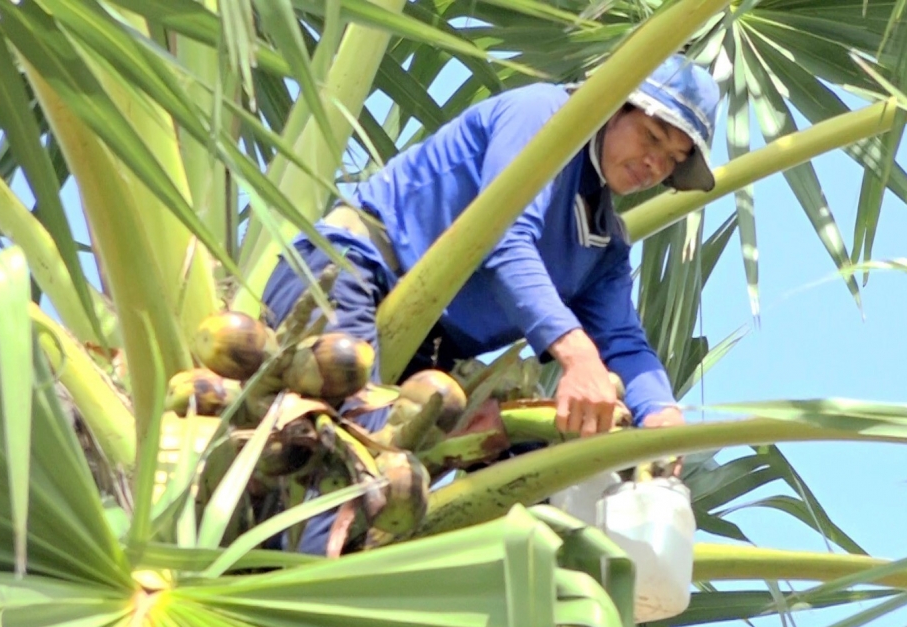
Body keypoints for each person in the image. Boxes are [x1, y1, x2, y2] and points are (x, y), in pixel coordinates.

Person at [260, 54, 720, 552]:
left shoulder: (604, 243)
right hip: (350, 274)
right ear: (613, 107)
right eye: (651, 137)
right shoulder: (544, 117)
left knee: (526, 476)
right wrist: (575, 353)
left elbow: (623, 341)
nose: (656, 164)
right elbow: (505, 239)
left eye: (674, 159)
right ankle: (305, 587)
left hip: (429, 356)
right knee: (351, 460)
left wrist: (660, 413)